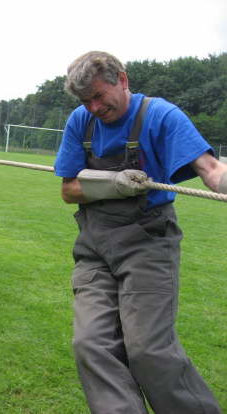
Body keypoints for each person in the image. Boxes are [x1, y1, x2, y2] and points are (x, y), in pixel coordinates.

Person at [54, 51, 227, 414]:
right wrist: (111, 184)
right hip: (95, 248)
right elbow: (68, 190)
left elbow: (211, 170)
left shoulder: (160, 115)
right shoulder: (80, 121)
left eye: (99, 96)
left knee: (147, 349)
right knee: (91, 344)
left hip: (148, 242)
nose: (94, 108)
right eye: (86, 101)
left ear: (123, 79)